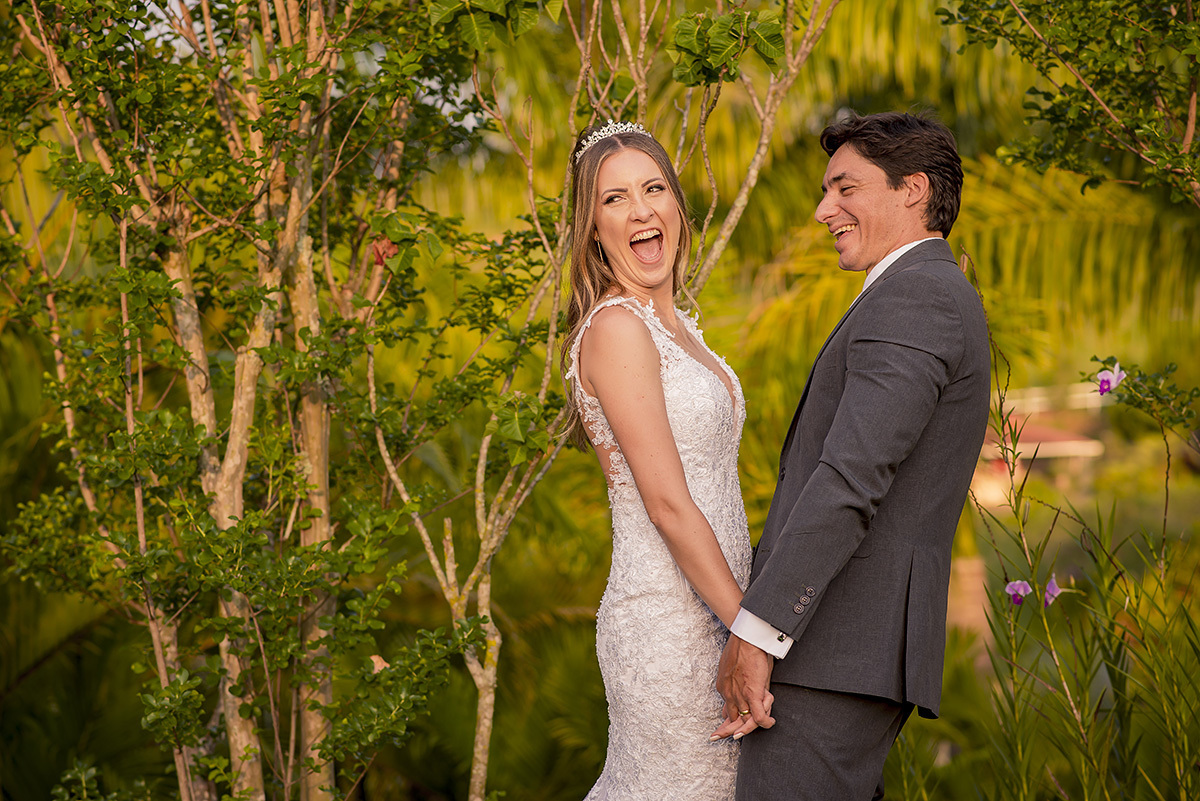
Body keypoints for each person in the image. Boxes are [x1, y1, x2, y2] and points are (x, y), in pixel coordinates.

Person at [713, 111, 991, 800]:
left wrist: (760, 630)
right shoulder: (915, 293)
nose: (821, 209)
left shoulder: (917, 297)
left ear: (912, 189)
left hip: (835, 649)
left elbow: (849, 480)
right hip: (845, 652)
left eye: (845, 188)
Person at [561, 119, 752, 800]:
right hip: (669, 630)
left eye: (653, 188)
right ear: (591, 227)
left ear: (676, 205)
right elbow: (669, 504)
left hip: (720, 612)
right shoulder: (615, 329)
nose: (640, 209)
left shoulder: (681, 328)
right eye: (613, 199)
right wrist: (751, 629)